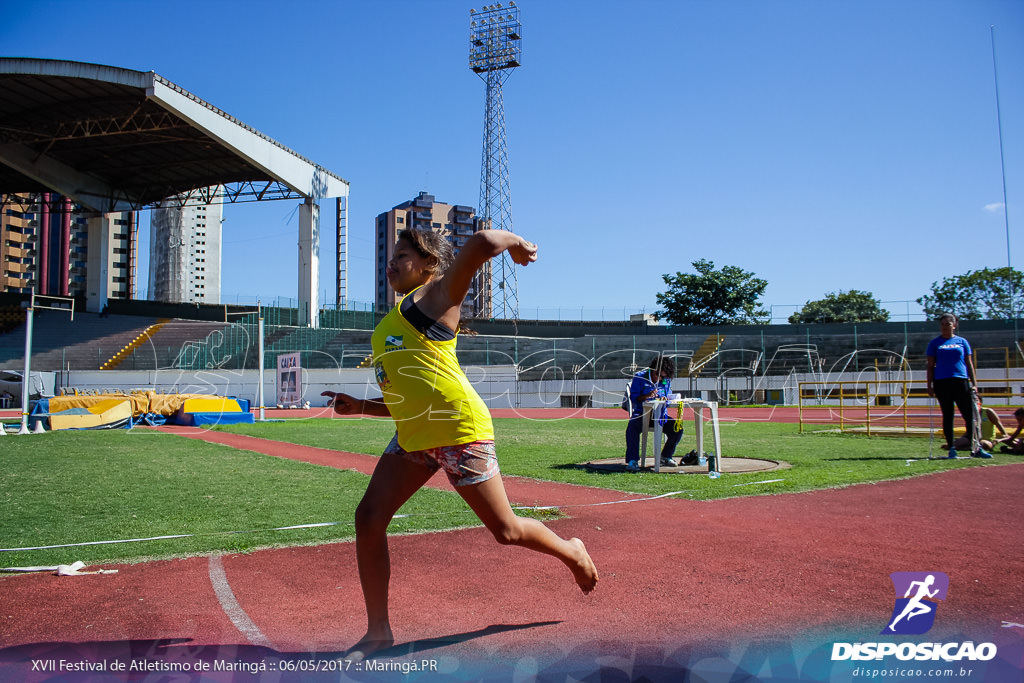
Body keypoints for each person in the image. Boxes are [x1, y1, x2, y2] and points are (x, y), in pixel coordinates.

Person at [321, 228, 598, 660]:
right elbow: (404, 400)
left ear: (429, 264)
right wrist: (360, 406)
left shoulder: (435, 298)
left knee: (506, 531)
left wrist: (520, 244)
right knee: (369, 517)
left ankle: (572, 551)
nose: (391, 263)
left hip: (458, 431)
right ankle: (378, 632)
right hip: (414, 435)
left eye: (403, 255)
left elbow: (484, 242)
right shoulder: (394, 318)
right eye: (390, 256)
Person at [925, 313, 992, 459]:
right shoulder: (935, 343)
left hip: (961, 381)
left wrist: (974, 384)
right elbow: (930, 366)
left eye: (948, 324)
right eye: (942, 324)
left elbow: (969, 363)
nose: (945, 327)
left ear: (954, 326)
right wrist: (929, 385)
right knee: (948, 415)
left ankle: (976, 447)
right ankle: (951, 448)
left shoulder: (962, 342)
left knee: (970, 416)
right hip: (942, 382)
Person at [624, 355, 682, 471]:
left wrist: (668, 399)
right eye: (658, 375)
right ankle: (633, 460)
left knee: (677, 429)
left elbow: (668, 395)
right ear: (652, 369)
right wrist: (646, 396)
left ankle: (665, 456)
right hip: (642, 414)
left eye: (663, 377)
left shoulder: (666, 380)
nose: (659, 379)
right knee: (632, 427)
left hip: (661, 416)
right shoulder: (640, 377)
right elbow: (634, 398)